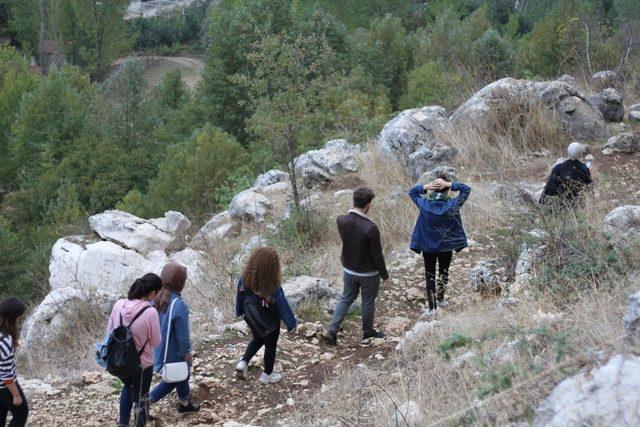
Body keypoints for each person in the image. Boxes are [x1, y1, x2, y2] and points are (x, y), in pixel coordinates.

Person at [326, 187, 389, 346]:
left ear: (354, 201)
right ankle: (367, 334)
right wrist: (384, 274)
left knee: (346, 298)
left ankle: (332, 329)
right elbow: (377, 255)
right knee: (368, 302)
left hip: (348, 269)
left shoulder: (341, 220)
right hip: (368, 274)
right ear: (368, 205)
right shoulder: (371, 227)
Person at [409, 173, 471, 320]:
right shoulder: (453, 205)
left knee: (429, 275)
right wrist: (449, 184)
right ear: (446, 190)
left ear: (433, 190)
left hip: (428, 248)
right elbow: (466, 189)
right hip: (446, 247)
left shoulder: (424, 205)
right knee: (444, 272)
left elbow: (412, 192)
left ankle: (432, 308)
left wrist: (426, 186)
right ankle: (441, 299)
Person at [107, 274, 163, 427]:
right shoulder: (150, 312)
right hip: (142, 363)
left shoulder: (118, 305)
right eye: (157, 293)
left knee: (127, 386)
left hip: (120, 361)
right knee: (141, 397)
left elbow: (110, 331)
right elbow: (156, 341)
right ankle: (140, 424)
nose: (157, 296)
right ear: (151, 293)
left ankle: (123, 424)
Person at [235, 247, 297, 385]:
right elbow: (283, 306)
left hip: (252, 317)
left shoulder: (244, 279)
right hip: (270, 321)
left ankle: (243, 362)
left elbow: (240, 298)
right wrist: (291, 324)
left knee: (257, 339)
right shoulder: (272, 286)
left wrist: (240, 312)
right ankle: (267, 375)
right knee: (270, 346)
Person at [148, 263, 200, 413]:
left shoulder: (155, 299)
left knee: (180, 374)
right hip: (173, 351)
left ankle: (185, 403)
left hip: (159, 348)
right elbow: (182, 335)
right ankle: (147, 401)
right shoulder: (179, 305)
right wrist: (187, 352)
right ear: (180, 283)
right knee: (177, 375)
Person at [0, 298, 27, 427]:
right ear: (13, 317)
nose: (19, 320)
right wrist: (16, 395)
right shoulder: (6, 340)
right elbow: (6, 374)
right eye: (19, 318)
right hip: (5, 387)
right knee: (21, 414)